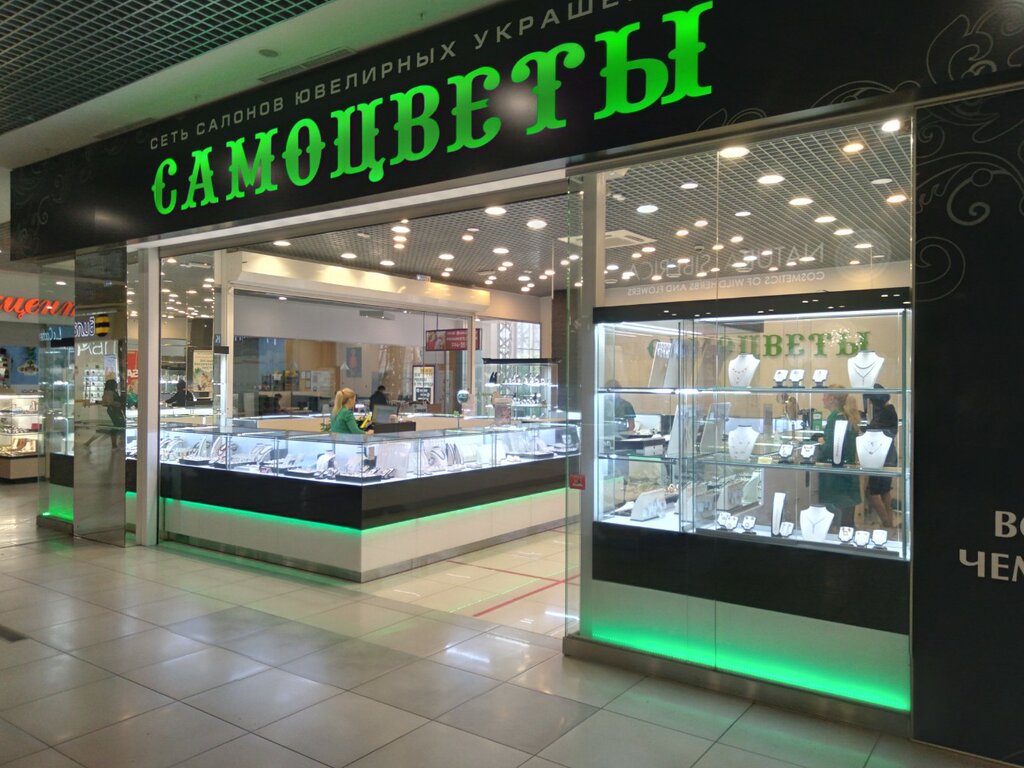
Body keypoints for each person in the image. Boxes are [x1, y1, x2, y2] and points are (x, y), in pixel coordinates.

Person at [818, 390, 861, 529]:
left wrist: (822, 443)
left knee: (837, 521)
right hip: (847, 472)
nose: (822, 398)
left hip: (836, 477)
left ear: (832, 399)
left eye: (824, 395)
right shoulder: (845, 416)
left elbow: (830, 449)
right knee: (847, 521)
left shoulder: (834, 417)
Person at [865, 385, 898, 528]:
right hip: (888, 454)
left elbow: (876, 431)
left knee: (872, 492)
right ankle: (889, 523)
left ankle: (886, 522)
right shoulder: (889, 411)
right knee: (884, 491)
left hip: (882, 455)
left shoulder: (885, 413)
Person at [84, 378, 125, 448]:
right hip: (113, 411)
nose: (116, 385)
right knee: (118, 427)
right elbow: (109, 402)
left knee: (115, 428)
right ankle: (114, 444)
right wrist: (119, 403)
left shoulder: (110, 392)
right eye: (115, 384)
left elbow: (105, 402)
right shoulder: (109, 392)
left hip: (114, 410)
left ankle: (114, 444)